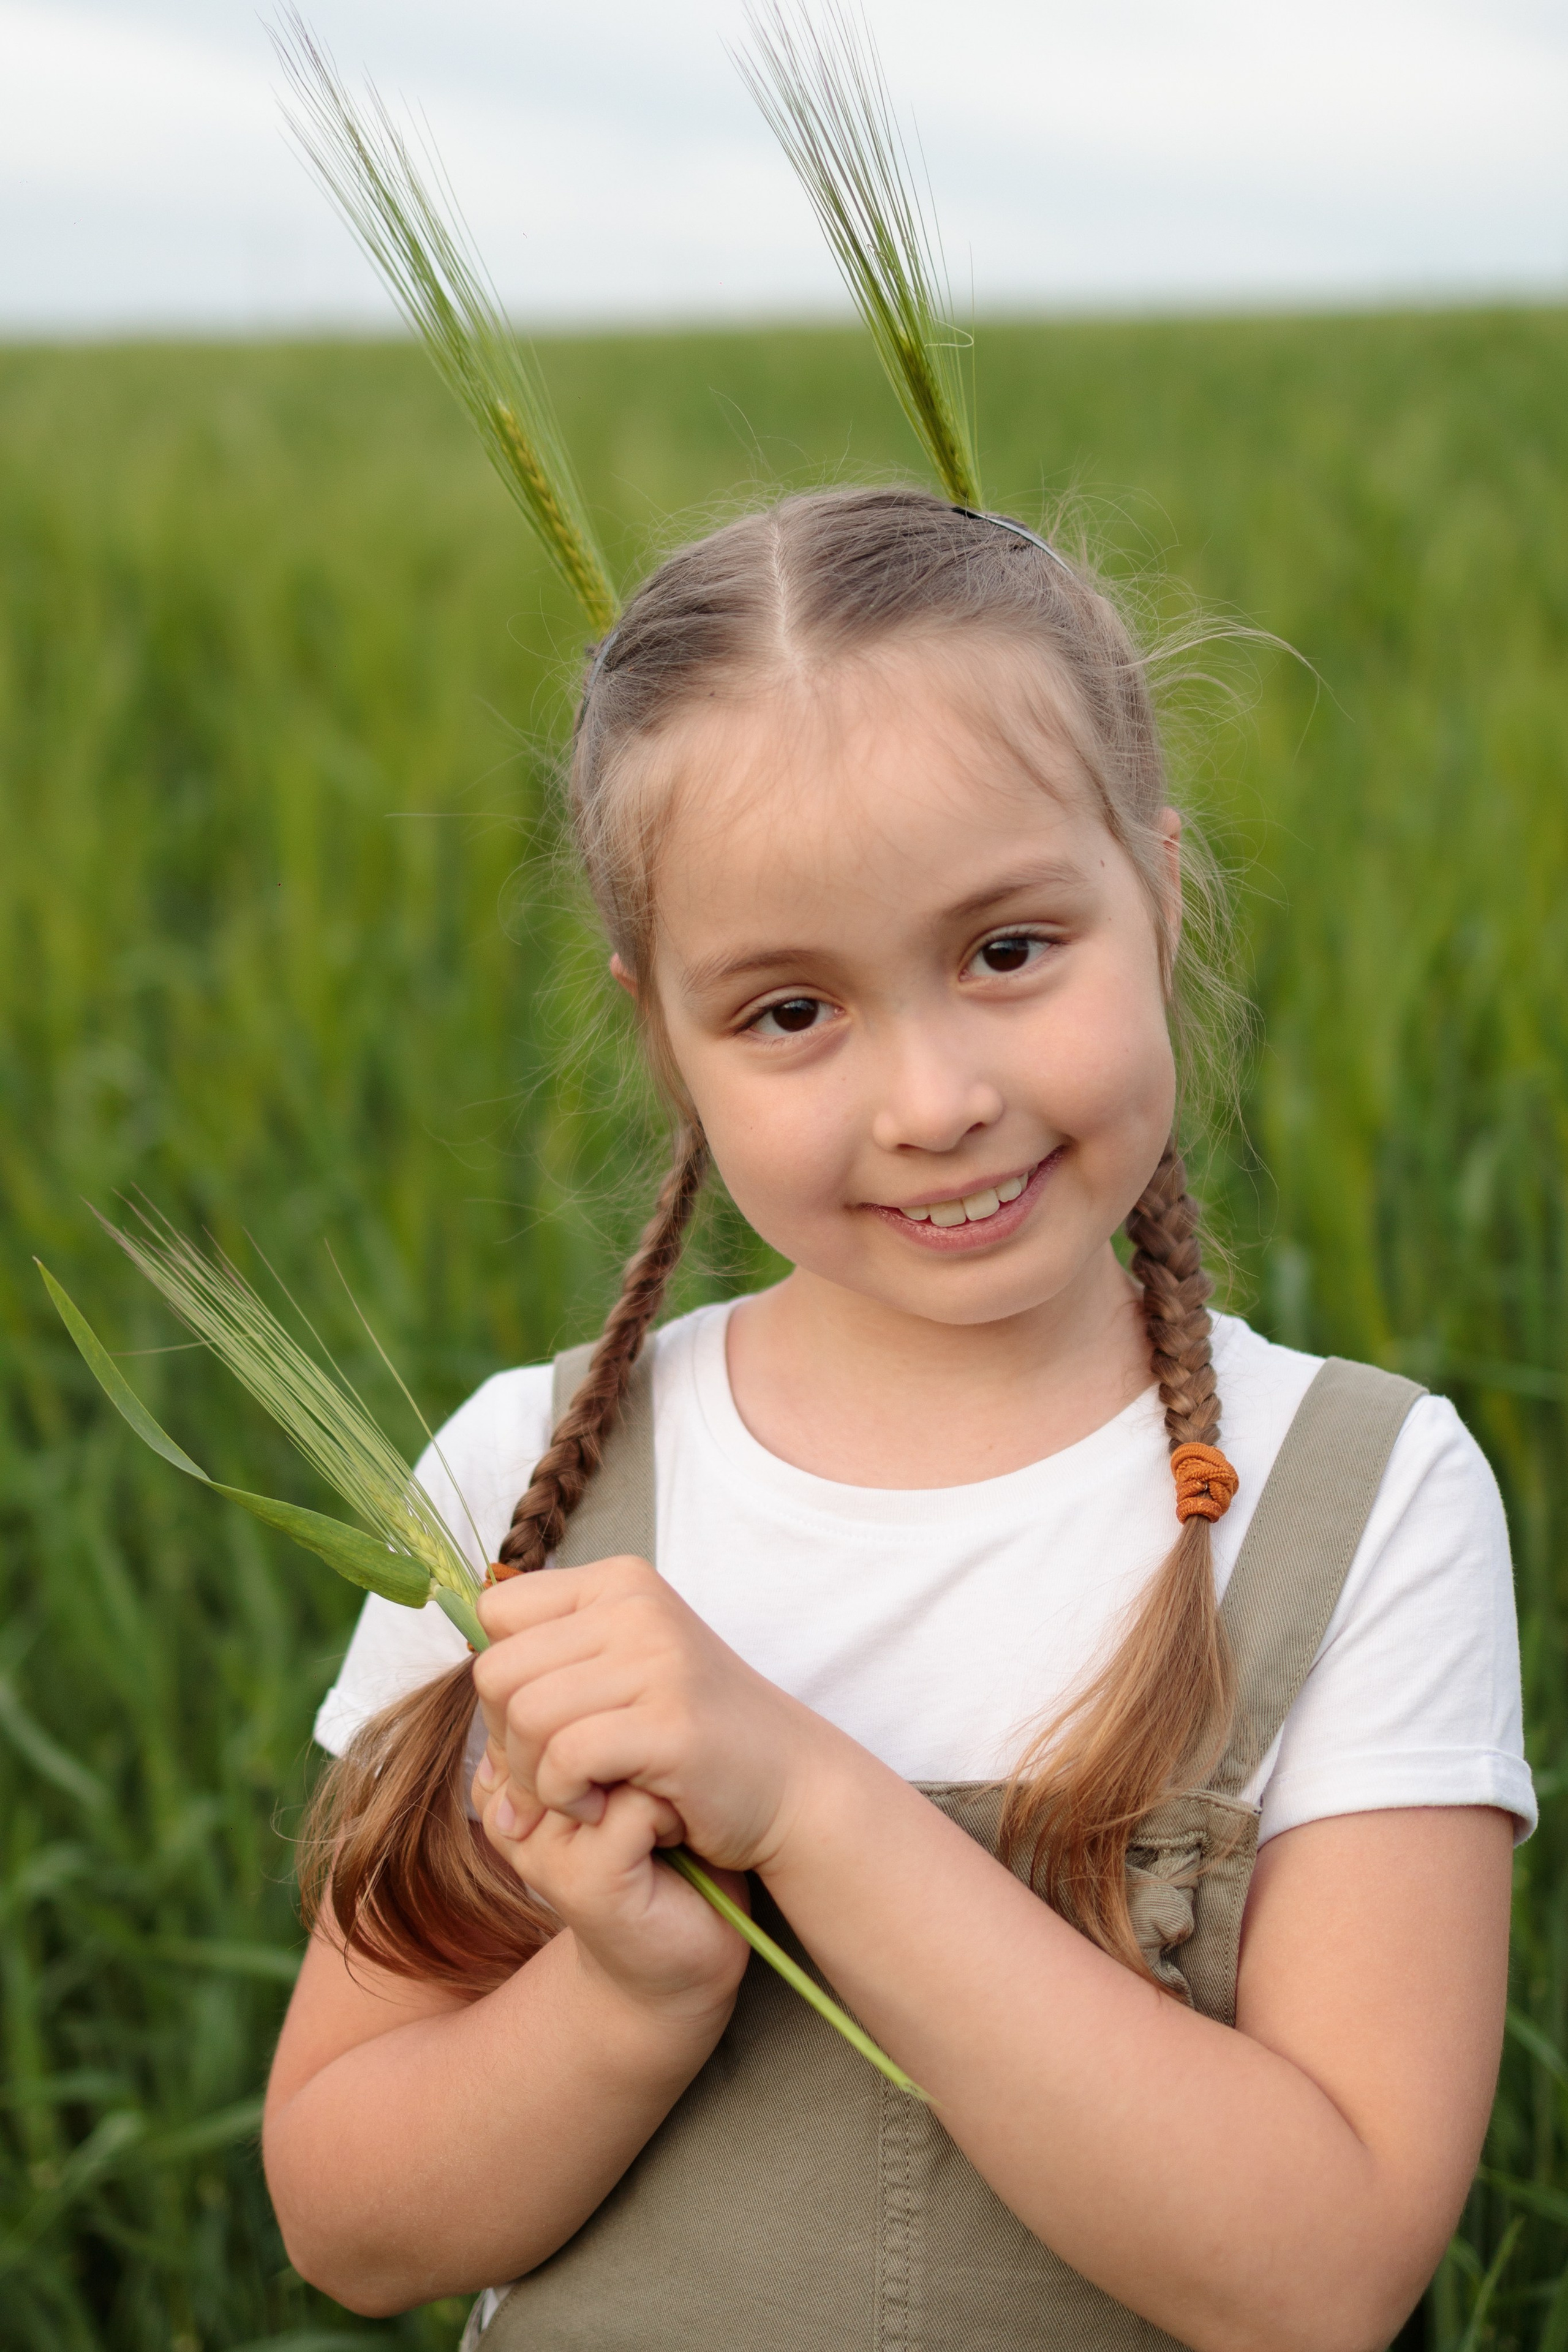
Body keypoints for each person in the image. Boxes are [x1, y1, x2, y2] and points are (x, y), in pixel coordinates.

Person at [261, 481, 1531, 2351]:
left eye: (1009, 951)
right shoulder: (528, 1497)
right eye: (790, 1012)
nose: (933, 1102)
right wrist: (625, 1997)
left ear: (1161, 893)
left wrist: (807, 1805)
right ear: (662, 1036)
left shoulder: (1354, 1496)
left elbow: (1325, 2279)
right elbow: (350, 2228)